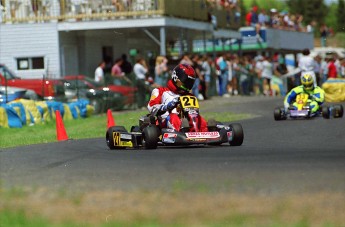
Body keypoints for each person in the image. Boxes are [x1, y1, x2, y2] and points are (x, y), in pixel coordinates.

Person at [147, 64, 208, 132]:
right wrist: (167, 106)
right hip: (165, 121)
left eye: (190, 82)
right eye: (185, 81)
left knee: (200, 119)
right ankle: (181, 132)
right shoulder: (160, 91)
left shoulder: (190, 96)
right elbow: (151, 107)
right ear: (176, 77)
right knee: (174, 117)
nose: (187, 84)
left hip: (185, 121)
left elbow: (194, 114)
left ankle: (204, 132)